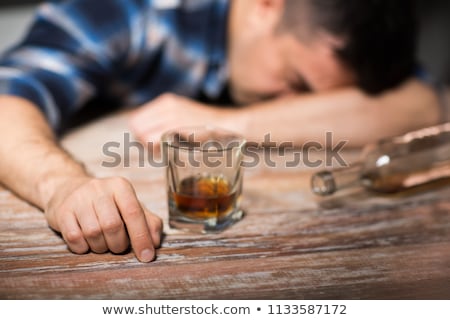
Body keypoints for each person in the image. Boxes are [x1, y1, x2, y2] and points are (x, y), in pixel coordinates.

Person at [0, 0, 442, 262]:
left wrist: (226, 126)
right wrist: (63, 186)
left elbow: (421, 105)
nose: (298, 107)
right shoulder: (130, 11)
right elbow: (8, 97)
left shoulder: (333, 39)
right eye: (297, 83)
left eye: (315, 99)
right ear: (267, 5)